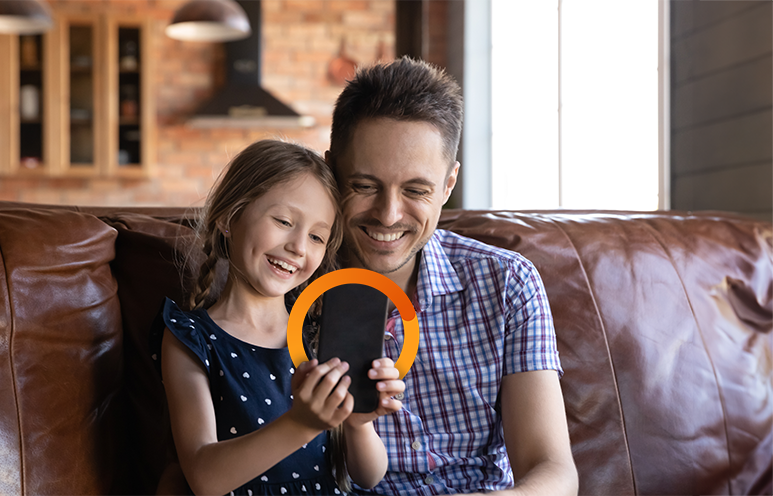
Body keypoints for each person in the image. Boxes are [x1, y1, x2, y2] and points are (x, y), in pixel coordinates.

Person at [324, 57, 578, 495]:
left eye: (416, 190)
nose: (388, 214)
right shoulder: (287, 287)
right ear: (331, 172)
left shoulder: (507, 283)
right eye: (365, 186)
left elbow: (552, 471)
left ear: (448, 185)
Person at [151, 139, 406, 496]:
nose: (299, 247)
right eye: (284, 221)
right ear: (228, 217)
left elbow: (368, 476)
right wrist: (302, 423)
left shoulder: (321, 337)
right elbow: (204, 478)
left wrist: (359, 424)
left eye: (317, 237)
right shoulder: (189, 337)